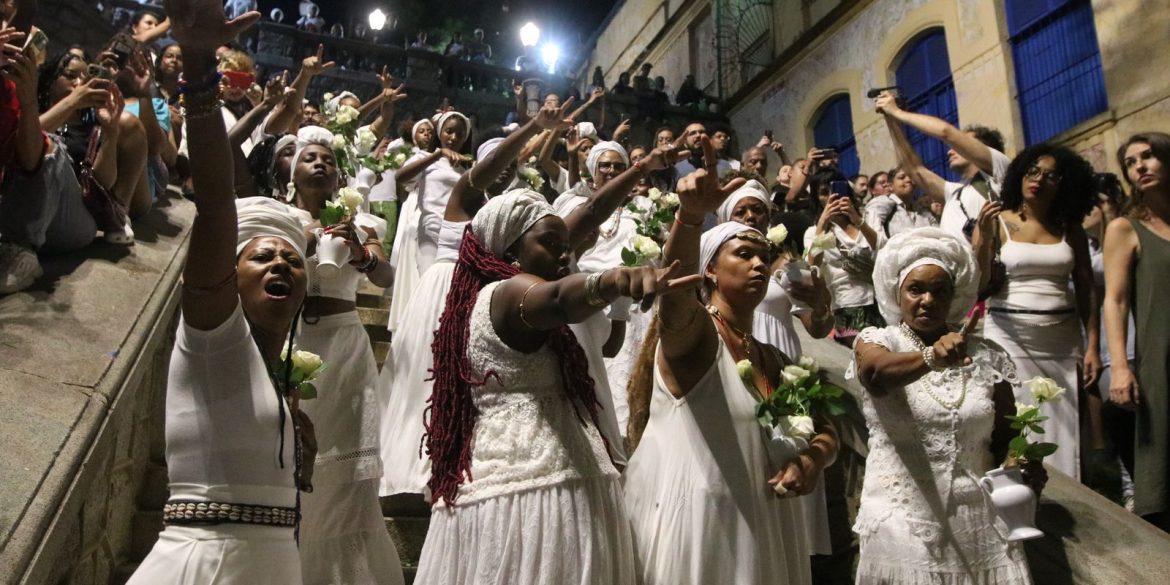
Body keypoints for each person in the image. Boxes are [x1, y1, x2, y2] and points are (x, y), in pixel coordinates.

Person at [414, 190, 692, 584]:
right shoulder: (508, 292)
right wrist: (613, 280)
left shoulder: (483, 299)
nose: (564, 255)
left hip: (518, 474)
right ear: (510, 250)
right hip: (532, 487)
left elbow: (586, 223)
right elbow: (560, 299)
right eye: (549, 243)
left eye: (566, 246)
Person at [125, 3, 313, 582]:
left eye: (293, 259)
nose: (281, 263)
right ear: (228, 274)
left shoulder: (277, 376)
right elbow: (214, 201)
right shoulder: (214, 333)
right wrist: (200, 65)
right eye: (263, 255)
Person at [624, 139, 837, 584]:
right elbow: (675, 299)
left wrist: (812, 460)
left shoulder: (771, 356)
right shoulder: (697, 335)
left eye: (764, 256)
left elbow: (826, 427)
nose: (759, 263)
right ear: (710, 271)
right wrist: (690, 216)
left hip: (761, 529)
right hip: (702, 530)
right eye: (744, 254)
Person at [378, 102, 578, 501]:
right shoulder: (464, 199)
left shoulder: (516, 222)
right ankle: (418, 462)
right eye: (495, 163)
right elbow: (487, 170)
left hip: (481, 303)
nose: (503, 170)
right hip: (443, 291)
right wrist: (533, 127)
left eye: (509, 166)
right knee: (425, 379)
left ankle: (453, 460)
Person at [850, 227, 1036, 584]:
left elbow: (1008, 436)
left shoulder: (986, 356)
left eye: (939, 291)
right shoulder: (877, 340)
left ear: (954, 296)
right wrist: (931, 358)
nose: (927, 300)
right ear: (897, 293)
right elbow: (875, 374)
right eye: (916, 289)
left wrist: (1022, 462)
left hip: (978, 524)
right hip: (900, 517)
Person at [279, 126, 404, 585]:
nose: (320, 164)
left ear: (339, 176)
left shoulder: (362, 223)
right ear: (292, 173)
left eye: (328, 160)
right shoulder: (279, 218)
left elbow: (386, 277)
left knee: (348, 463)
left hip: (346, 347)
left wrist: (361, 254)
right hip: (291, 342)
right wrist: (308, 238)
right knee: (291, 453)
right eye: (310, 158)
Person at [974, 144, 1099, 481]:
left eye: (1051, 175)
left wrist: (1092, 345)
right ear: (1020, 175)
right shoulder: (999, 220)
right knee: (1016, 417)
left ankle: (1066, 497)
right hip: (1009, 335)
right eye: (1033, 171)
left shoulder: (1069, 227)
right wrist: (983, 237)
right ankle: (1015, 493)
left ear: (1064, 183)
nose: (1039, 180)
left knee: (1062, 420)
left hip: (1061, 339)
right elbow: (978, 281)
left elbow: (1086, 288)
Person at [1104, 132, 1170, 529]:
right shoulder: (1125, 228)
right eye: (1130, 162)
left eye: (1148, 156)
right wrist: (1120, 367)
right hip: (1161, 358)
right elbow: (1115, 300)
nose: (1140, 166)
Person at [876, 91, 1010, 242]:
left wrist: (897, 112)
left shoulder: (999, 170)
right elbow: (914, 169)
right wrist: (890, 118)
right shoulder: (955, 192)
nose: (950, 151)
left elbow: (946, 132)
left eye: (960, 145)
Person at [804, 172, 885, 346]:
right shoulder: (813, 232)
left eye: (835, 190)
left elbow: (883, 248)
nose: (831, 197)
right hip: (846, 303)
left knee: (888, 349)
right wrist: (823, 223)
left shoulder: (868, 215)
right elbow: (813, 265)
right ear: (817, 198)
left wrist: (858, 220)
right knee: (863, 353)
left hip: (881, 298)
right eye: (824, 193)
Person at [864, 166, 936, 238]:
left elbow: (938, 235)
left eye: (911, 177)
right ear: (890, 186)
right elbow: (873, 232)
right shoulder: (882, 203)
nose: (908, 180)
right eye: (902, 177)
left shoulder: (923, 212)